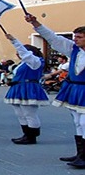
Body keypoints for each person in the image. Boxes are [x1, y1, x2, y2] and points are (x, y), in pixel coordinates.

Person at [25, 14, 85, 168]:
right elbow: (53, 38)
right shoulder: (74, 49)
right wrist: (36, 23)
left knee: (84, 122)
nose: (75, 39)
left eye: (79, 37)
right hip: (76, 88)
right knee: (77, 121)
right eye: (75, 37)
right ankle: (80, 154)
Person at [3, 33, 49, 145]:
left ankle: (32, 136)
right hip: (18, 87)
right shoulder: (23, 63)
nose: (19, 54)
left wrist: (14, 40)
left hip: (28, 88)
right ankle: (26, 134)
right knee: (20, 113)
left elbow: (26, 55)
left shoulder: (35, 61)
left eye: (21, 52)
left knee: (29, 113)